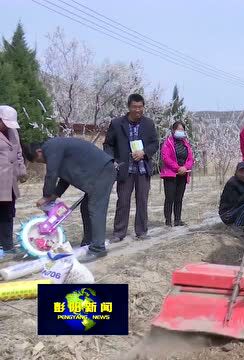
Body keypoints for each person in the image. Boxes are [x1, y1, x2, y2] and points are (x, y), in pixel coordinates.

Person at [23, 138, 117, 263]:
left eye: (40, 161)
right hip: (98, 172)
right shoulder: (57, 149)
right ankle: (88, 242)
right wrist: (55, 195)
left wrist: (46, 196)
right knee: (86, 208)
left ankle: (98, 248)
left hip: (102, 171)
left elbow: (52, 174)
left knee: (96, 209)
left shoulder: (50, 147)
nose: (44, 163)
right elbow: (65, 177)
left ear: (39, 151)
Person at [103, 94, 159, 242]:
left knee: (142, 201)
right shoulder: (117, 124)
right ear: (129, 107)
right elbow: (108, 144)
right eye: (134, 107)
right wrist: (112, 161)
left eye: (140, 107)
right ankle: (119, 232)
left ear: (143, 107)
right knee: (123, 201)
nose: (138, 110)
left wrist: (144, 153)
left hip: (142, 169)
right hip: (124, 169)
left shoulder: (148, 124)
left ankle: (141, 231)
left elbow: (155, 143)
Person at [0, 105, 27, 255]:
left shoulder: (13, 132)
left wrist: (21, 170)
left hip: (10, 180)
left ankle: (7, 245)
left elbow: (18, 153)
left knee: (9, 212)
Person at [160, 121, 194, 227]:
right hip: (170, 174)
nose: (180, 132)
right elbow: (166, 158)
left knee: (179, 198)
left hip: (183, 174)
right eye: (178, 129)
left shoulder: (186, 143)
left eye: (182, 130)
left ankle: (178, 220)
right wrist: (178, 168)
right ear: (173, 130)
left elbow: (190, 158)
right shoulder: (168, 143)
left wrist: (185, 167)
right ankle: (168, 221)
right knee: (170, 198)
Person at [219, 162, 244, 227]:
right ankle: (237, 228)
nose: (243, 174)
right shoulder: (231, 183)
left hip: (237, 210)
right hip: (227, 214)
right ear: (236, 172)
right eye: (241, 172)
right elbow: (236, 203)